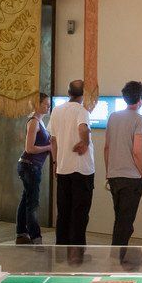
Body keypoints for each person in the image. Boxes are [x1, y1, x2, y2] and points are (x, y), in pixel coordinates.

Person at [47, 79, 95, 246]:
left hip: (62, 168)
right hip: (82, 169)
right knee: (80, 212)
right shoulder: (82, 110)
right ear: (84, 95)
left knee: (63, 211)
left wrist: (55, 163)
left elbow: (53, 140)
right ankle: (76, 251)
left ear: (68, 93)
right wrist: (85, 143)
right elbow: (83, 128)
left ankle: (61, 248)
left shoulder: (56, 110)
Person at [104, 81, 142, 246]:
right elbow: (137, 152)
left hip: (114, 176)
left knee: (119, 220)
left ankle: (117, 255)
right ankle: (118, 256)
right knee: (126, 223)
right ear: (140, 100)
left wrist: (108, 172)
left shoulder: (113, 117)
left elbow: (107, 147)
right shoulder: (140, 120)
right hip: (131, 178)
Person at [15, 93, 52, 245]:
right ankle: (36, 237)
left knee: (26, 200)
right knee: (33, 203)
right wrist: (48, 147)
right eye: (45, 104)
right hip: (29, 166)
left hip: (32, 166)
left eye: (49, 104)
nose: (48, 107)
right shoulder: (34, 122)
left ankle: (21, 234)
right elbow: (29, 148)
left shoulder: (40, 122)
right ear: (37, 105)